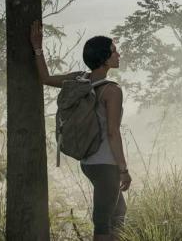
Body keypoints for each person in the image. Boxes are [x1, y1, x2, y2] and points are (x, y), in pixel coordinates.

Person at [31, 21, 131, 240]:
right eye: (114, 51)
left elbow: (45, 78)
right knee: (103, 221)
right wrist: (123, 169)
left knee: (118, 212)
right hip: (106, 164)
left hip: (87, 161)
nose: (118, 54)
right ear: (105, 58)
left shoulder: (79, 79)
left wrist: (37, 48)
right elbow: (113, 133)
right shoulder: (112, 91)